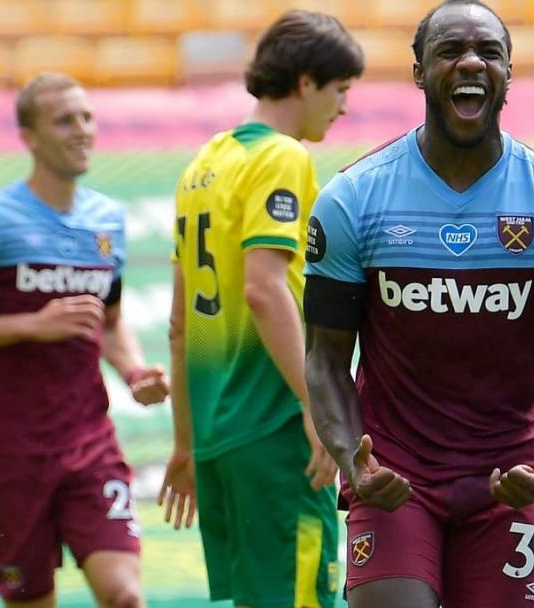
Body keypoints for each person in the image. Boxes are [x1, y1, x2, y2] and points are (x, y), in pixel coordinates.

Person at [302, 1, 534, 606]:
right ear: (420, 71)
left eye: (489, 52)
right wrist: (353, 461)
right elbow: (324, 358)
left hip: (511, 484)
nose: (470, 61)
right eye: (450, 50)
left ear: (508, 73)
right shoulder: (353, 200)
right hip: (394, 477)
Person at [0, 72, 169, 608]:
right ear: (28, 136)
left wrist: (135, 372)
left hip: (90, 444)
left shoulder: (107, 220)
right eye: (65, 120)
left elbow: (110, 319)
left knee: (125, 596)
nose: (82, 130)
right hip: (7, 457)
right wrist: (29, 324)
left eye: (88, 117)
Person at [157, 10, 364, 608]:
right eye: (340, 89)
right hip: (274, 432)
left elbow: (179, 326)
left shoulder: (203, 165)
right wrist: (315, 405)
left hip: (218, 443)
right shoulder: (283, 157)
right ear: (306, 82)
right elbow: (263, 288)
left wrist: (185, 445)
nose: (344, 106)